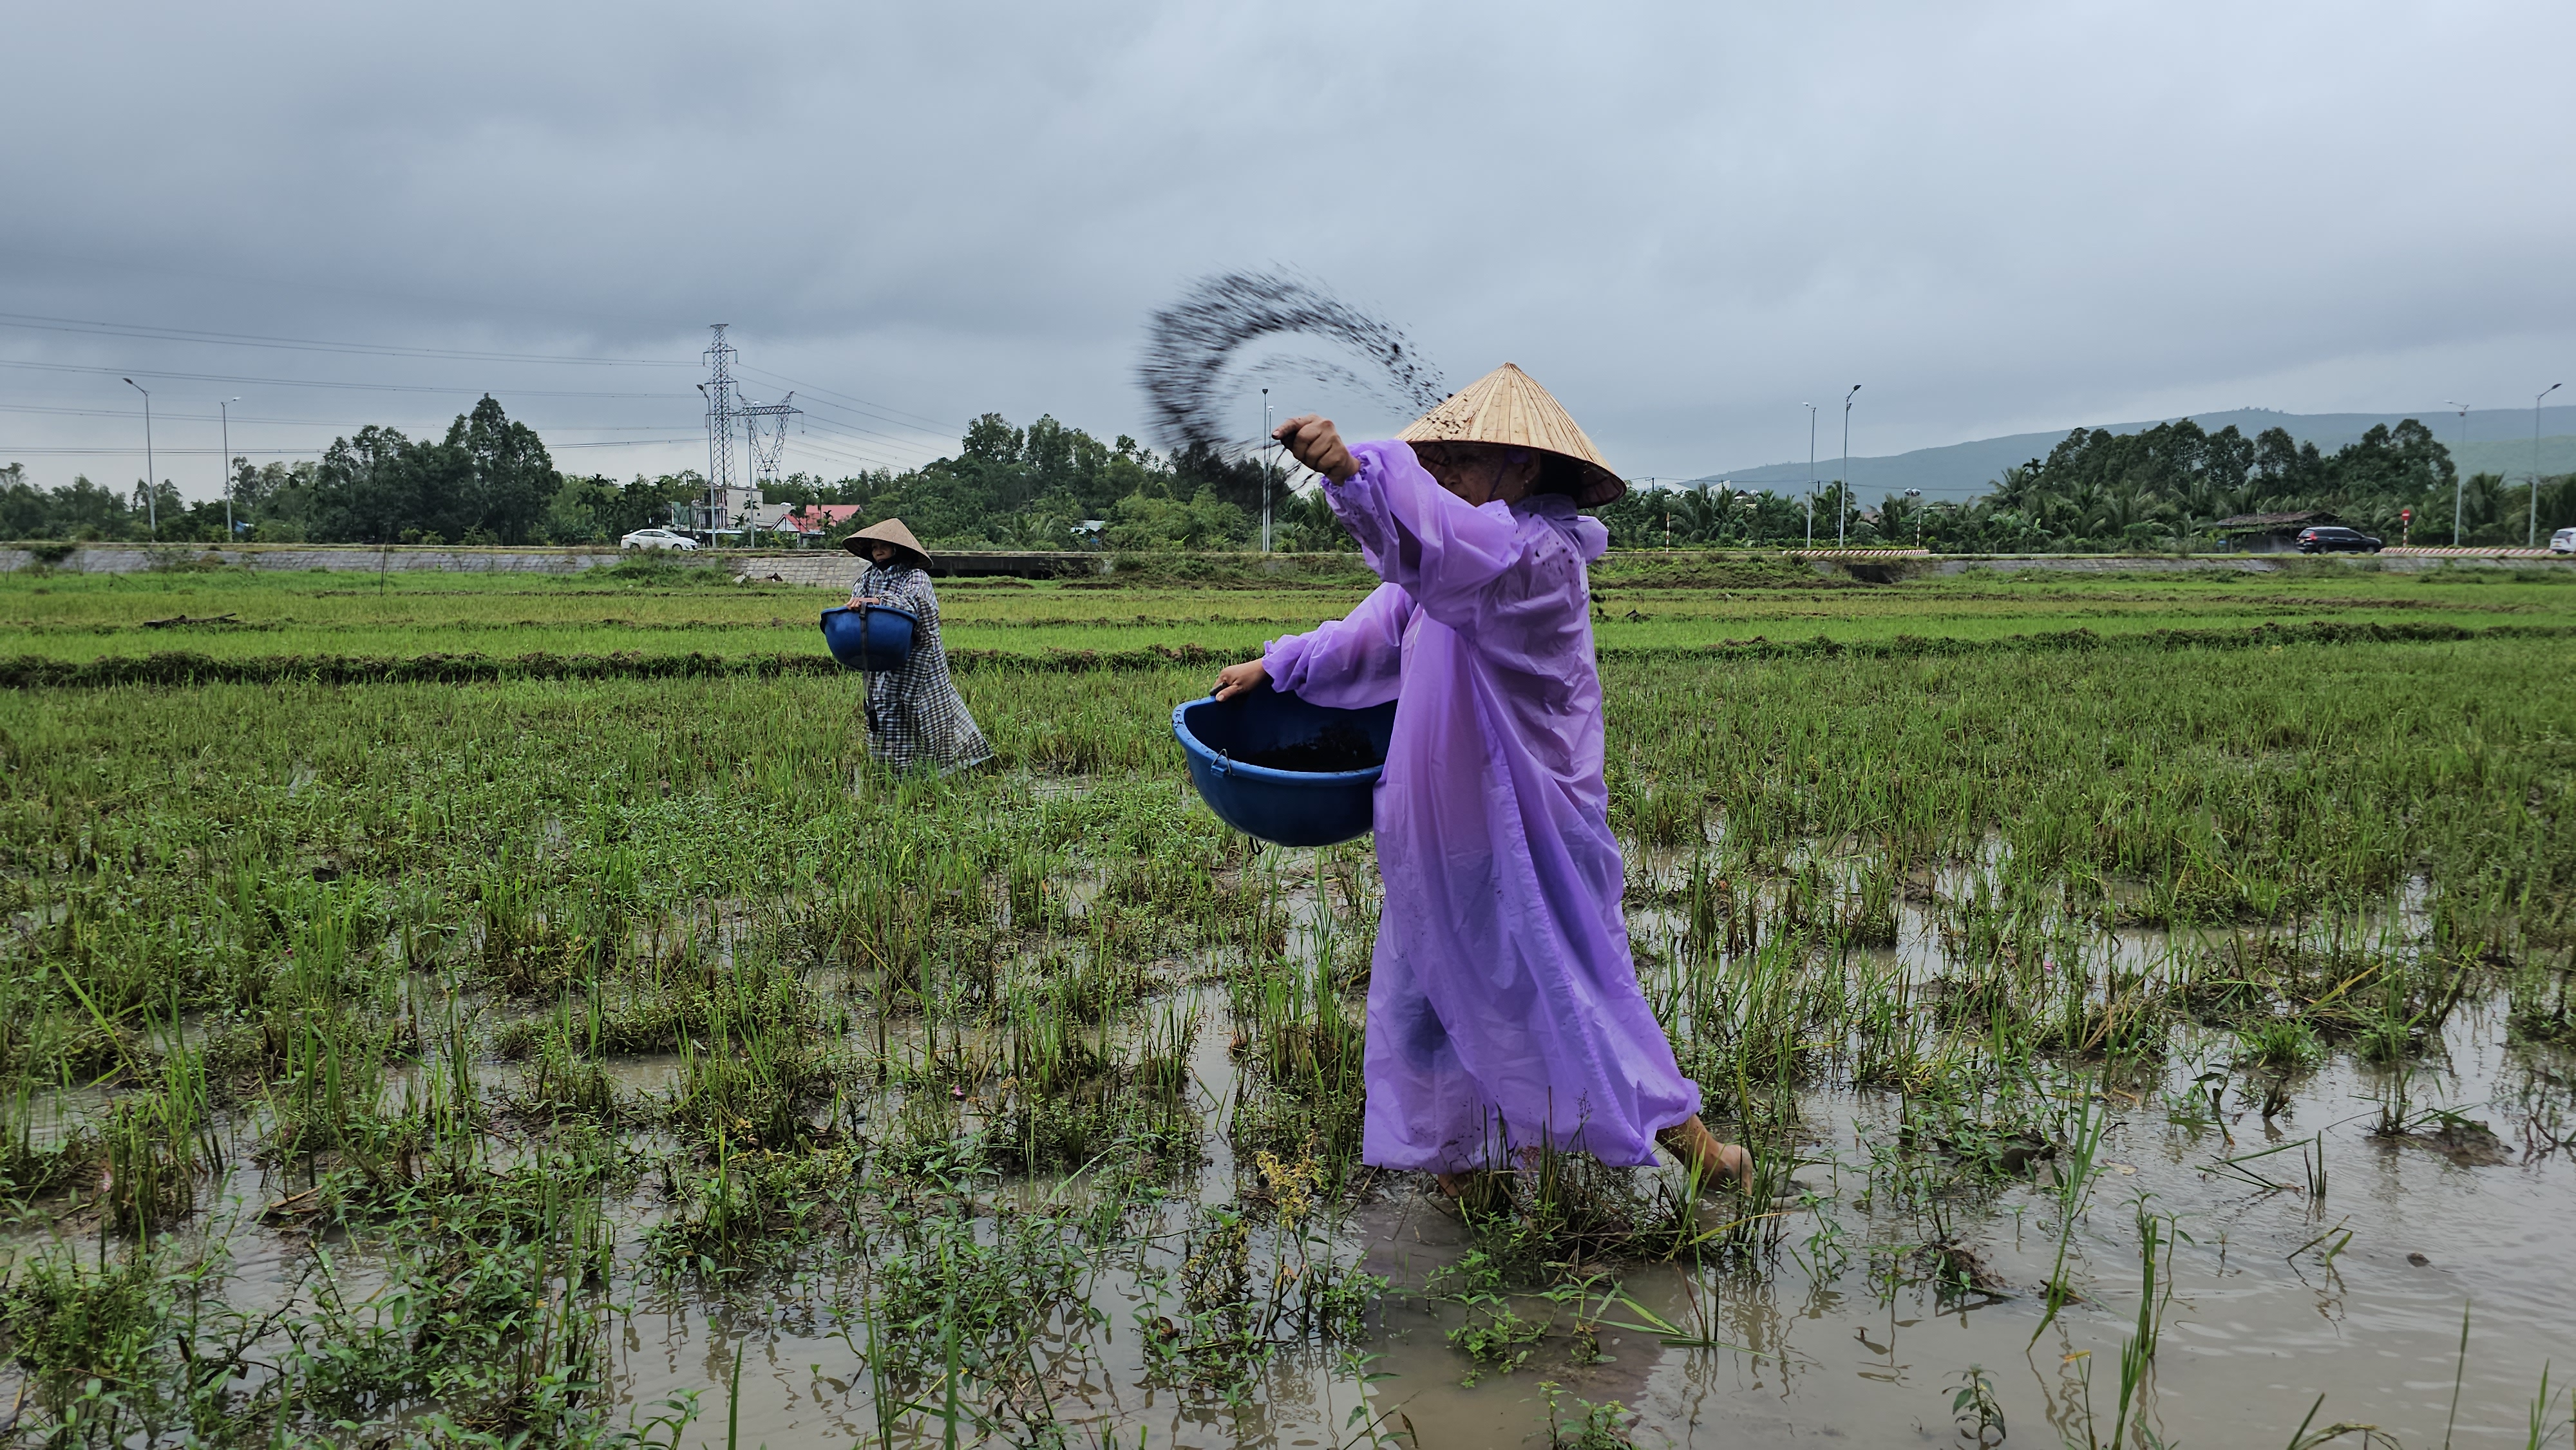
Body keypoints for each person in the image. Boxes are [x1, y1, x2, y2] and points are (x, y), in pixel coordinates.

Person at [1211, 364, 1751, 1197]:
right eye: (1438, 463)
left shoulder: (1534, 560)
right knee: (1429, 993)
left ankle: (1704, 1155)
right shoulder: (1457, 566)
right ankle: (1460, 1176)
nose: (1446, 476)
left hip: (1530, 820)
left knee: (1569, 991)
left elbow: (1435, 554)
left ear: (1524, 468)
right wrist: (1276, 665)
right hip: (1446, 823)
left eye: (1463, 461)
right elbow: (1379, 620)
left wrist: (1357, 476)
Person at [842, 518, 992, 775]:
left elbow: (917, 604)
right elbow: (857, 604)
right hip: (883, 658)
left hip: (919, 659)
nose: (878, 551)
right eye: (874, 547)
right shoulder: (866, 579)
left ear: (897, 550)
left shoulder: (916, 577)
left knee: (927, 711)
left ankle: (947, 767)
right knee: (886, 709)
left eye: (884, 547)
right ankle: (895, 772)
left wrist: (879, 600)